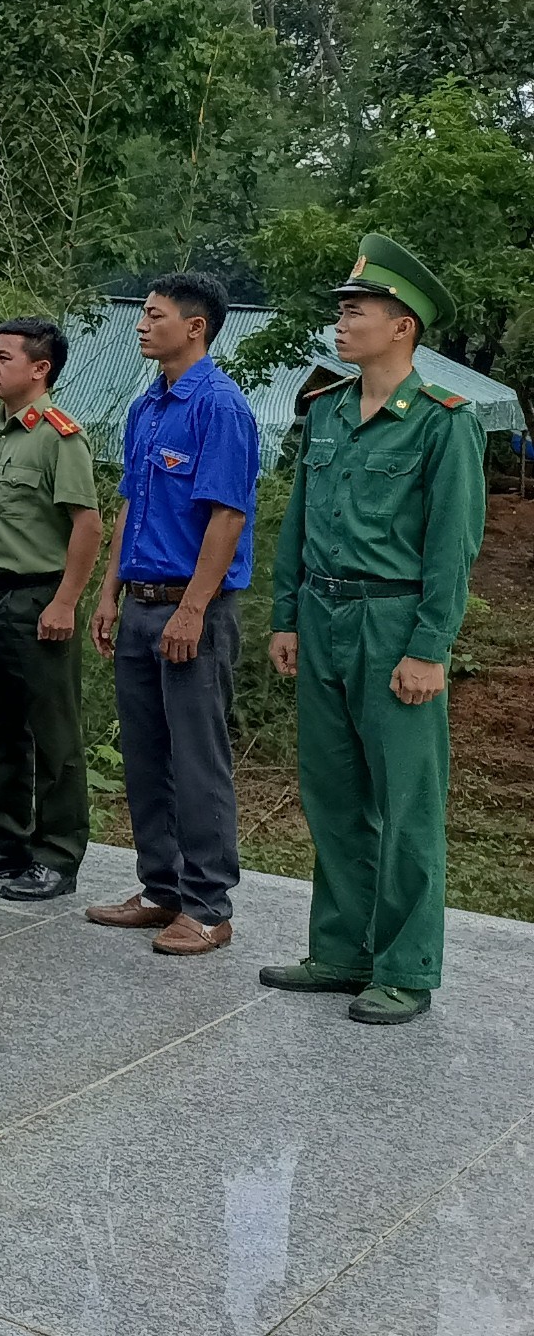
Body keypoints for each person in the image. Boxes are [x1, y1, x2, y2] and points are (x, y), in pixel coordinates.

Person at [264, 235, 486, 1025]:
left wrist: (430, 648)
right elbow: (297, 524)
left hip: (395, 624)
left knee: (407, 804)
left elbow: (452, 545)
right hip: (322, 617)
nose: (342, 321)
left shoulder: (442, 423)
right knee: (333, 794)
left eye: (357, 310)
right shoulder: (325, 410)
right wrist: (286, 616)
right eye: (343, 310)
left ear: (403, 327)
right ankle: (341, 950)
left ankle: (405, 966)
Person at [86, 270, 259, 956]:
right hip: (140, 603)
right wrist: (108, 592)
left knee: (197, 760)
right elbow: (131, 504)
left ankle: (208, 905)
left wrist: (192, 610)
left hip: (193, 611)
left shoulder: (219, 406)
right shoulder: (146, 407)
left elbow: (227, 517)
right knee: (145, 755)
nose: (141, 324)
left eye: (155, 315)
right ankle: (161, 888)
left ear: (195, 326)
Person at [0, 318, 103, 902]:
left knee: (52, 735)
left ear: (40, 369)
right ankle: (6, 841)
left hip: (35, 598)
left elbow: (87, 526)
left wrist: (66, 601)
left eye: (4, 358)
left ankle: (58, 855)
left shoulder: (58, 437)